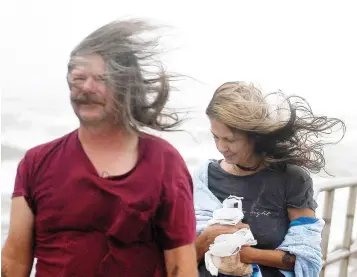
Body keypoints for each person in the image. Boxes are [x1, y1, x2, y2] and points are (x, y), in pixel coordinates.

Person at [1, 19, 198, 277]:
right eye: (78, 78)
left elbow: (180, 267)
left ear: (127, 86)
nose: (87, 88)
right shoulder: (36, 162)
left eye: (101, 79)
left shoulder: (164, 162)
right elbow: (14, 261)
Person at [193, 81, 346, 277]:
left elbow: (306, 259)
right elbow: (182, 255)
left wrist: (246, 254)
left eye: (230, 139)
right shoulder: (204, 177)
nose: (221, 147)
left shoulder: (292, 179)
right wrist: (206, 238)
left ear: (254, 136)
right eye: (215, 137)